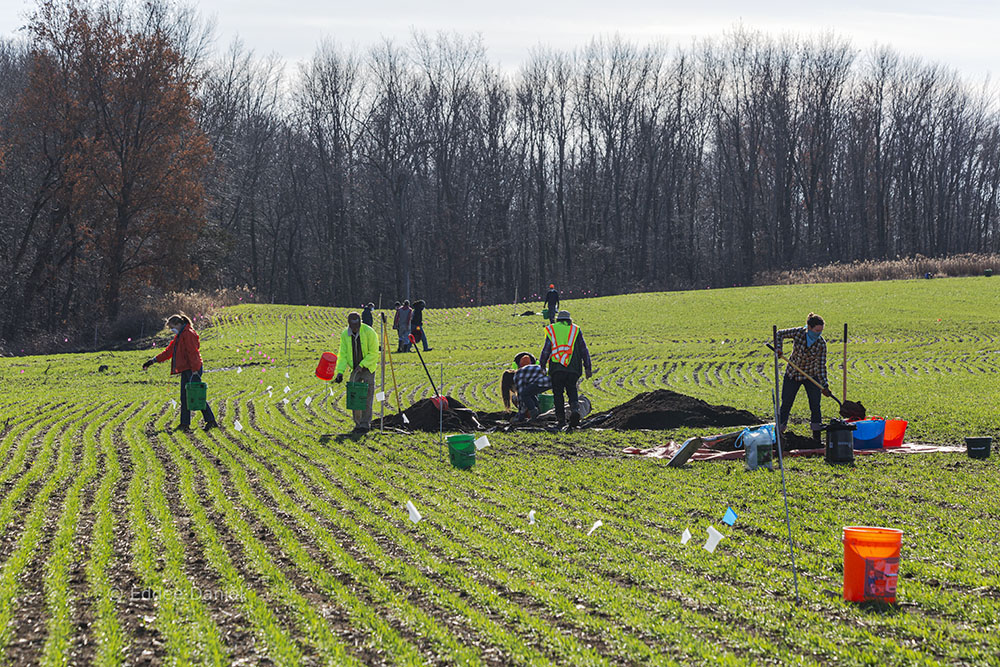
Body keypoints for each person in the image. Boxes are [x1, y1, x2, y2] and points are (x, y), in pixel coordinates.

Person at [142, 313, 218, 432]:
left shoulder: (188, 334)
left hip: (193, 370)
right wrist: (153, 361)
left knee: (197, 396)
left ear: (178, 324)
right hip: (186, 370)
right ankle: (184, 424)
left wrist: (195, 371)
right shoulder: (180, 335)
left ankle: (211, 421)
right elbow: (169, 352)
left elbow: (193, 353)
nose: (172, 330)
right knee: (185, 397)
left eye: (172, 327)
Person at [775, 312, 832, 443]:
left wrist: (824, 385)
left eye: (821, 331)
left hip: (811, 376)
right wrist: (779, 349)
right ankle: (779, 433)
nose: (818, 334)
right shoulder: (799, 333)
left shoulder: (821, 344)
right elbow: (780, 334)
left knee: (815, 405)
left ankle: (816, 438)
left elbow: (821, 366)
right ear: (809, 327)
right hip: (793, 374)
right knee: (786, 403)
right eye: (816, 330)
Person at [540, 310, 592, 429]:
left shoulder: (552, 329)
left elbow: (546, 349)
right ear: (569, 320)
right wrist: (588, 367)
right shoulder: (575, 330)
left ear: (558, 319)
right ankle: (575, 410)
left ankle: (561, 420)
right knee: (572, 390)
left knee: (558, 394)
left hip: (557, 367)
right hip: (573, 367)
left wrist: (542, 365)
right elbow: (584, 349)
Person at [334, 311, 380, 433]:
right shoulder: (345, 334)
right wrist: (340, 372)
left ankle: (365, 424)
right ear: (349, 325)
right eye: (352, 327)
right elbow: (343, 354)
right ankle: (357, 424)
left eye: (357, 326)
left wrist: (363, 365)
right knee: (355, 397)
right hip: (354, 370)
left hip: (368, 369)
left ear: (360, 323)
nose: (355, 329)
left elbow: (374, 353)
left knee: (367, 396)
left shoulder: (369, 332)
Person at [511, 354, 551, 423]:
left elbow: (521, 396)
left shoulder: (518, 375)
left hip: (546, 381)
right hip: (553, 378)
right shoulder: (526, 371)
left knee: (524, 394)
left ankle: (534, 414)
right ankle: (538, 413)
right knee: (530, 393)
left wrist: (521, 415)